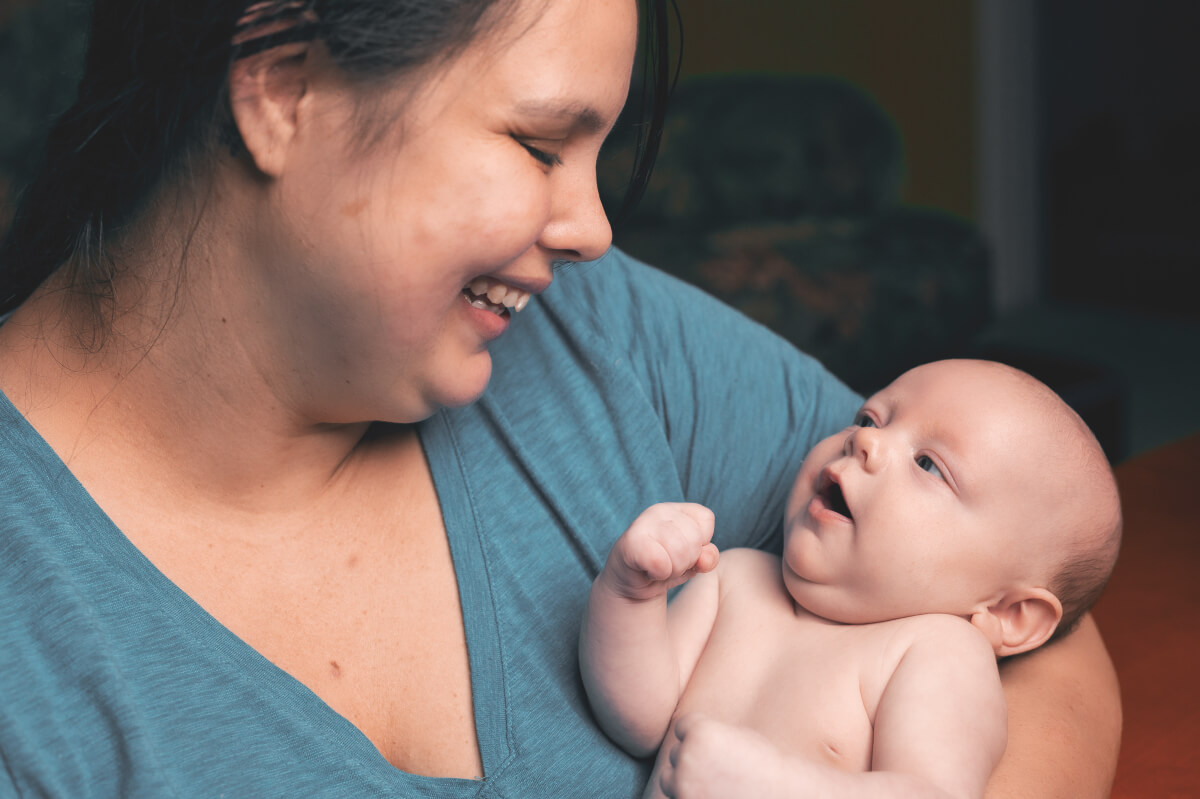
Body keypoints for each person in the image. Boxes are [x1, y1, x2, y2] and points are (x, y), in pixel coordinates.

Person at [0, 0, 1119, 796]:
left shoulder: (593, 333)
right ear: (284, 84)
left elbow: (1047, 640)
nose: (592, 229)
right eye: (539, 143)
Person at [581, 358, 1123, 799]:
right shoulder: (735, 579)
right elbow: (638, 719)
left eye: (929, 464)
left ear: (1008, 613)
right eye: (871, 419)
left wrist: (772, 788)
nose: (865, 443)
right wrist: (631, 594)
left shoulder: (937, 652)